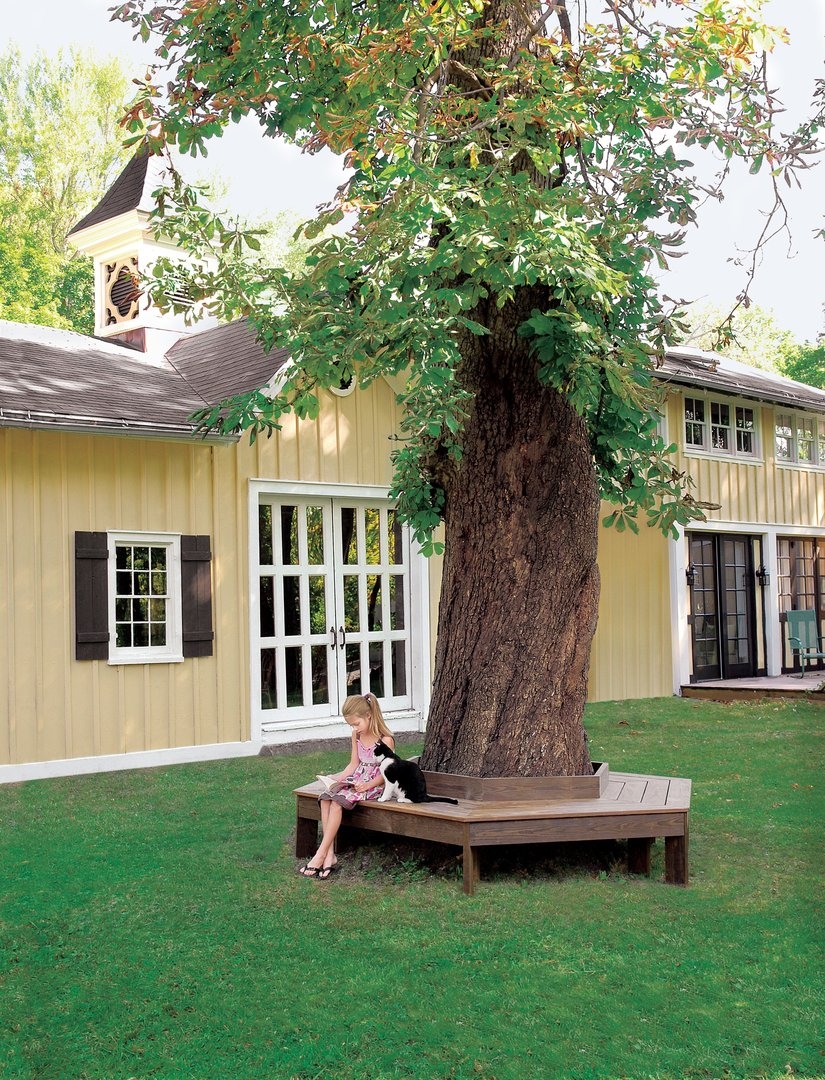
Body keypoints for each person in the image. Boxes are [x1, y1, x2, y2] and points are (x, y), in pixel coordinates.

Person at [298, 693, 395, 879]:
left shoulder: (385, 740)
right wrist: (335, 778)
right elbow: (353, 764)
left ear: (369, 716)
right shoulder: (356, 735)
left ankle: (320, 855)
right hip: (357, 781)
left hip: (374, 786)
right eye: (351, 725)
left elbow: (387, 773)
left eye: (356, 723)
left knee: (336, 803)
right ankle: (329, 856)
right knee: (326, 798)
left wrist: (367, 785)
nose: (354, 728)